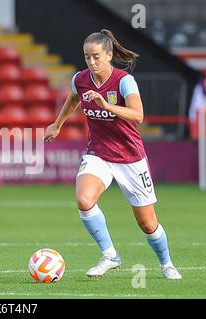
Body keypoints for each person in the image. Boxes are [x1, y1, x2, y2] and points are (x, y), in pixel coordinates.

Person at [44, 29, 182, 279]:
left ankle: (167, 264)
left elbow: (138, 115)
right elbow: (73, 98)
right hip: (98, 153)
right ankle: (110, 255)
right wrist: (58, 123)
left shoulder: (123, 81)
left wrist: (106, 105)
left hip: (130, 158)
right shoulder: (81, 79)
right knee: (84, 200)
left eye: (96, 56)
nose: (92, 62)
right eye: (87, 57)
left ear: (108, 55)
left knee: (147, 224)